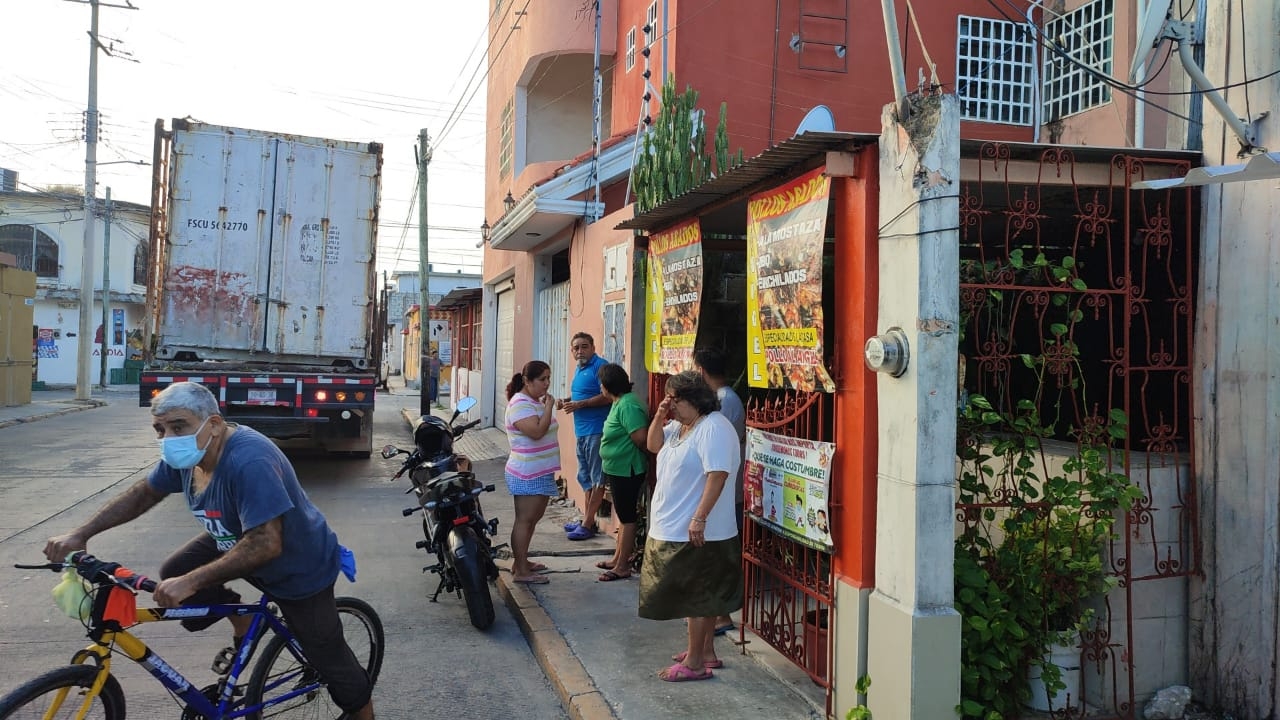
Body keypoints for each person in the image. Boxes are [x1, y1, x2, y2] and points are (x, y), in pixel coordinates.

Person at [43, 381, 374, 720]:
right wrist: (81, 534)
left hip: (296, 565)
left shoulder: (249, 459)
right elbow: (144, 493)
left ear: (214, 424)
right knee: (176, 570)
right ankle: (243, 618)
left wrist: (192, 582)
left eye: (178, 426)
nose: (168, 438)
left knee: (329, 657)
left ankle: (363, 712)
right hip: (236, 537)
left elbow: (265, 542)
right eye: (160, 429)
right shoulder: (189, 454)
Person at [639, 371, 742, 682]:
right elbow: (653, 445)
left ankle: (696, 662)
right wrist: (659, 415)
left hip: (701, 530)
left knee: (697, 596)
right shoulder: (680, 427)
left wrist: (699, 517)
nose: (671, 404)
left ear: (695, 399)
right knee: (696, 595)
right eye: (669, 398)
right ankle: (705, 651)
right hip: (674, 525)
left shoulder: (713, 428)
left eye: (676, 399)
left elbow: (718, 475)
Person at [693, 347, 746, 637]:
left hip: (725, 487)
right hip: (723, 485)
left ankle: (722, 614)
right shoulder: (726, 399)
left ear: (701, 370)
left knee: (718, 554)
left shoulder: (725, 401)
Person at [504, 360, 560, 584]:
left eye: (549, 378)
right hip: (527, 472)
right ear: (527, 381)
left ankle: (522, 562)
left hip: (540, 470)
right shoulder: (520, 403)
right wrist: (548, 407)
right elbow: (536, 431)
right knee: (525, 520)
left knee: (532, 520)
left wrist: (545, 406)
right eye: (542, 379)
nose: (547, 384)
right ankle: (521, 572)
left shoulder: (533, 401)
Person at [594, 363, 649, 582]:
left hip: (628, 469)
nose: (600, 387)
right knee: (622, 514)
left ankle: (622, 565)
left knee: (627, 517)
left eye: (602, 384)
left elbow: (641, 438)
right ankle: (617, 558)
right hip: (617, 468)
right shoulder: (619, 403)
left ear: (608, 386)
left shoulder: (628, 405)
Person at [558, 332, 610, 541]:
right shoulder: (580, 369)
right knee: (586, 479)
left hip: (596, 430)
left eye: (584, 346)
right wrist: (568, 400)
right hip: (581, 431)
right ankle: (588, 521)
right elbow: (584, 394)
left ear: (593, 347)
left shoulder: (600, 366)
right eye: (576, 348)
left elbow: (608, 395)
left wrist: (580, 404)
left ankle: (587, 524)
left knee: (597, 479)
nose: (580, 351)